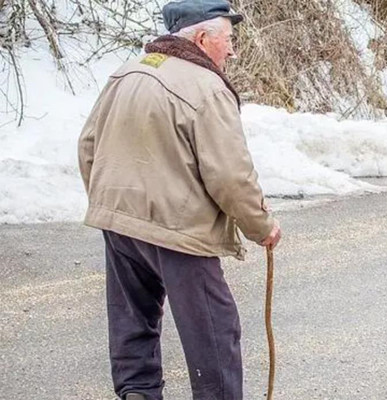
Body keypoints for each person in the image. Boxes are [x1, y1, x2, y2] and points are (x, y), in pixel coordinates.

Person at [78, 0, 281, 399]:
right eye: (228, 40)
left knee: (133, 319)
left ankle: (138, 393)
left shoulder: (127, 73)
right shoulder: (206, 87)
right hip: (178, 229)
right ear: (203, 37)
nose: (232, 51)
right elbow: (229, 174)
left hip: (118, 222)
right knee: (213, 329)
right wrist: (261, 226)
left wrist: (111, 201)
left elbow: (88, 146)